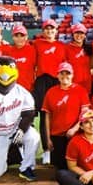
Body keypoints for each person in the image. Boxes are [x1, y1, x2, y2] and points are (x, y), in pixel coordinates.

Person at [41, 62, 91, 170]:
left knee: (76, 166)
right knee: (60, 168)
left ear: (72, 75)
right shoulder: (51, 92)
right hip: (57, 135)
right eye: (61, 73)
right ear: (57, 75)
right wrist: (48, 138)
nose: (65, 76)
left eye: (67, 73)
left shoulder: (80, 90)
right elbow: (47, 116)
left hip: (74, 135)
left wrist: (75, 128)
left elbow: (85, 113)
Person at [33, 19, 67, 165]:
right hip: (41, 81)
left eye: (52, 29)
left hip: (56, 80)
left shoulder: (61, 46)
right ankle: (46, 149)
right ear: (43, 30)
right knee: (44, 114)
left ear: (56, 30)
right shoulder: (36, 44)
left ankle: (59, 148)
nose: (49, 31)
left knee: (58, 114)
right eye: (47, 28)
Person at [66, 23, 93, 94]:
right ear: (73, 34)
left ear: (85, 35)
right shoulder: (66, 48)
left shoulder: (88, 49)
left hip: (87, 83)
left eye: (81, 33)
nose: (79, 36)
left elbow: (92, 64)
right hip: (72, 83)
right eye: (76, 33)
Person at [8, 25, 36, 92]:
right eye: (16, 36)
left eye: (22, 36)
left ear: (26, 37)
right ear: (12, 37)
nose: (19, 38)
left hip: (28, 89)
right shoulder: (8, 51)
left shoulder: (33, 50)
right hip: (12, 89)